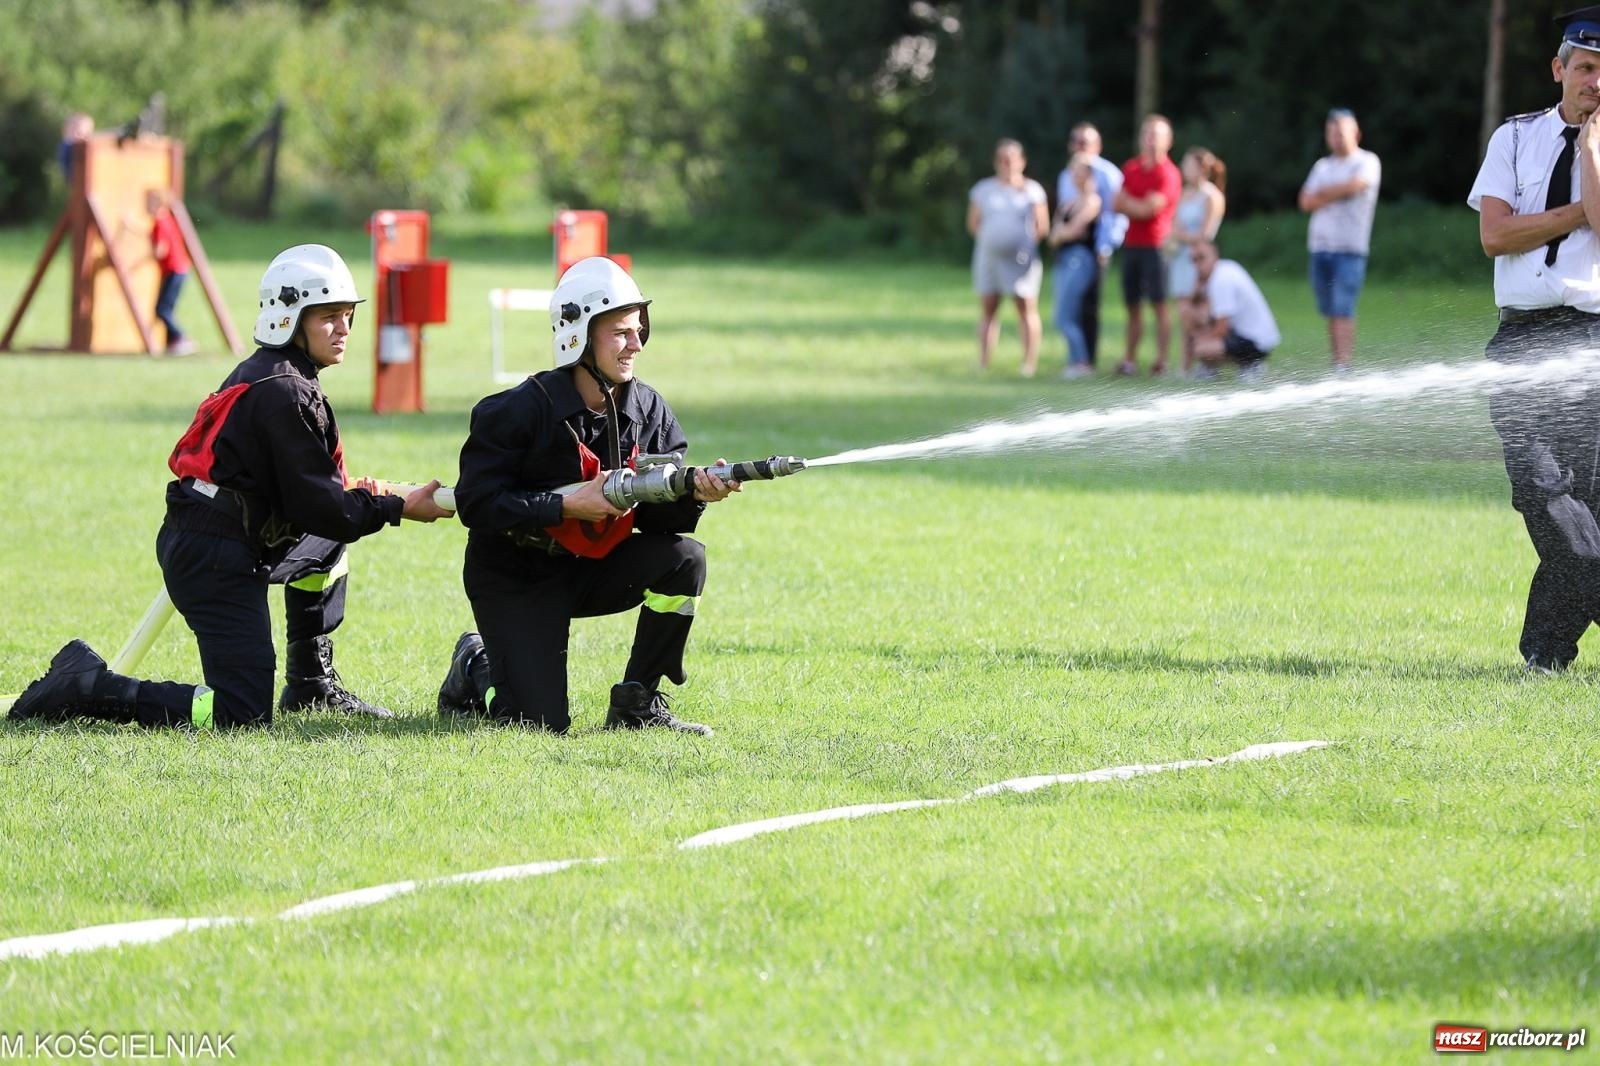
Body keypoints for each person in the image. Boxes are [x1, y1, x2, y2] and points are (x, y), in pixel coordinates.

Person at [6, 245, 451, 730]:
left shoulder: (279, 376)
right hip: (216, 555)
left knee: (326, 549)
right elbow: (328, 510)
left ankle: (311, 686)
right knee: (241, 712)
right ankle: (90, 686)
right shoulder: (284, 392)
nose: (344, 329)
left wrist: (386, 498)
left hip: (228, 538)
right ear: (289, 318)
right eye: (328, 317)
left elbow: (322, 504)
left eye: (347, 316)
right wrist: (396, 508)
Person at [438, 256, 739, 735]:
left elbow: (661, 525)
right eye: (621, 332)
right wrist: (565, 505)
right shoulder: (517, 412)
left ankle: (637, 700)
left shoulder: (648, 408)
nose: (636, 343)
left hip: (591, 567)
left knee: (685, 559)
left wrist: (697, 494)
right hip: (517, 575)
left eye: (639, 329)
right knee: (536, 724)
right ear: (577, 334)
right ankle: (475, 664)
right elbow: (477, 504)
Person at [1469, 6, 1600, 673]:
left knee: (1592, 509)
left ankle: (1546, 656)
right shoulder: (1515, 137)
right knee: (1549, 498)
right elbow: (1495, 235)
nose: (1595, 82)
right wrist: (1577, 212)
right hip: (1522, 341)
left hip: (1593, 341)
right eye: (1585, 67)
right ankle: (1548, 650)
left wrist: (1592, 151)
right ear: (1559, 69)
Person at [1299, 108, 1382, 372]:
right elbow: (1305, 201)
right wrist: (1334, 192)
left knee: (1342, 306)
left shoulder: (1367, 161)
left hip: (1350, 249)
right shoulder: (1322, 166)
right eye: (1331, 132)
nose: (1335, 137)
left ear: (1356, 133)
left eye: (1341, 132)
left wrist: (1323, 193)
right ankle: (1336, 361)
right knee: (1329, 309)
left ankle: (1344, 364)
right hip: (1320, 247)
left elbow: (1355, 185)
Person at [967, 138, 1050, 376]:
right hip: (989, 259)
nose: (1007, 164)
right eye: (1002, 159)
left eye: (1012, 159)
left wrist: (1020, 245)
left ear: (1022, 162)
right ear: (996, 162)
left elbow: (1041, 226)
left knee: (1026, 308)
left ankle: (1028, 364)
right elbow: (973, 223)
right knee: (988, 310)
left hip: (1021, 261)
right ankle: (983, 362)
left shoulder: (1032, 190)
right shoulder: (983, 189)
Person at [1053, 122, 1128, 369]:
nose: (1080, 146)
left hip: (1093, 250)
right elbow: (1061, 220)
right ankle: (1076, 360)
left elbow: (1114, 216)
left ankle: (1086, 361)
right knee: (1070, 308)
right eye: (1076, 140)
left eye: (1085, 141)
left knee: (1088, 307)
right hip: (1068, 253)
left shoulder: (1108, 174)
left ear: (1097, 145)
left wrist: (1105, 247)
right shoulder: (1065, 174)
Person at [1114, 114, 1183, 376]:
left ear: (1168, 140)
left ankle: (1162, 361)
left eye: (1157, 134)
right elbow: (1117, 203)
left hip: (1157, 246)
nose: (1151, 139)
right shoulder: (1131, 168)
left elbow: (1148, 209)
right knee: (1132, 305)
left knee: (1159, 304)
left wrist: (1132, 204)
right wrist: (1138, 205)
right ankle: (1129, 360)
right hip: (1132, 245)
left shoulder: (1169, 173)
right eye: (1147, 133)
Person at [1166, 147, 1227, 376]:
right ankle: (1185, 366)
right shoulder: (1185, 193)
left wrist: (1179, 236)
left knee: (1195, 313)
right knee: (1183, 314)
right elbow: (1173, 224)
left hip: (1198, 261)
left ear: (1201, 168)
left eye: (1187, 163)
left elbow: (1204, 235)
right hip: (1180, 260)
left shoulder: (1211, 196)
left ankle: (1207, 363)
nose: (1183, 167)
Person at [1188, 240, 1280, 384]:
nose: (1197, 264)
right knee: (1198, 335)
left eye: (1201, 258)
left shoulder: (1220, 280)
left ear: (1214, 255)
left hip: (1255, 341)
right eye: (1193, 260)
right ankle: (1232, 366)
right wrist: (1197, 290)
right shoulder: (1226, 268)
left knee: (1198, 346)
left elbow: (1221, 328)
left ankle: (1251, 365)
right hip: (1258, 337)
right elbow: (1201, 315)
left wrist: (1200, 341)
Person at [1047, 152, 1102, 378]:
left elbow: (1073, 231)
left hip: (1080, 260)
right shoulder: (1068, 203)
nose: (1076, 175)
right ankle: (1073, 361)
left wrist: (1062, 233)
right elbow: (1053, 236)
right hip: (1063, 259)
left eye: (1081, 171)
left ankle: (1081, 362)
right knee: (1062, 314)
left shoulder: (1092, 200)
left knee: (1065, 315)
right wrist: (1061, 233)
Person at [148, 189, 195, 356]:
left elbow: (160, 251)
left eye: (149, 201)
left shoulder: (159, 222)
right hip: (179, 270)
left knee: (162, 310)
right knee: (167, 308)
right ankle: (173, 344)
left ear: (158, 203)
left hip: (174, 271)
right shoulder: (167, 218)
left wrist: (143, 257)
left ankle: (183, 338)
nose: (146, 205)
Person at [56, 112, 93, 186]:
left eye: (86, 134)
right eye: (79, 133)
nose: (83, 137)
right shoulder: (67, 145)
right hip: (76, 181)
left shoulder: (87, 147)